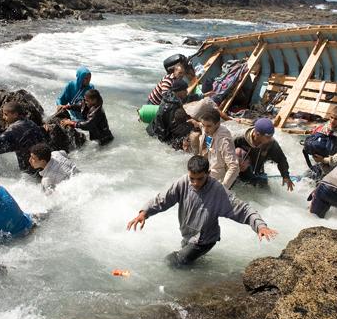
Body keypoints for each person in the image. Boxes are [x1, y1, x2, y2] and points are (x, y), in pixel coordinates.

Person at [126, 155, 277, 267]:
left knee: (172, 263)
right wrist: (144, 213)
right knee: (189, 263)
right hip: (188, 235)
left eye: (200, 179)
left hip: (204, 240)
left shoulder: (218, 191)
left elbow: (244, 210)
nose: (195, 183)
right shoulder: (183, 182)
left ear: (208, 173)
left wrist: (260, 226)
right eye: (192, 178)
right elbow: (162, 199)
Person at [0, 102, 46, 173]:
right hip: (43, 165)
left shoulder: (14, 129)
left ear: (15, 115)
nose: (3, 117)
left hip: (30, 170)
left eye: (6, 114)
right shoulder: (30, 123)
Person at [233, 118, 294, 191]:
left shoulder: (271, 143)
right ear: (257, 134)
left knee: (266, 194)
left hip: (257, 172)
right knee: (238, 153)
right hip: (238, 170)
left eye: (272, 136)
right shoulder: (239, 138)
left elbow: (281, 159)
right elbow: (221, 152)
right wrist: (235, 162)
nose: (271, 138)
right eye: (268, 137)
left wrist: (285, 176)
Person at [190, 108, 239, 189]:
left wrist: (223, 188)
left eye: (208, 126)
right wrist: (196, 123)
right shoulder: (207, 127)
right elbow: (202, 125)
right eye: (203, 125)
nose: (205, 129)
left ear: (218, 124)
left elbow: (234, 166)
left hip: (217, 178)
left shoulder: (223, 140)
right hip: (206, 170)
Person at [146, 79, 194, 150]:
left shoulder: (169, 97)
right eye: (185, 90)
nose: (187, 92)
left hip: (153, 130)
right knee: (189, 127)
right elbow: (173, 127)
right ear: (179, 91)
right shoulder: (172, 106)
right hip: (159, 135)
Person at [309, 105, 337, 177]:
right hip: (322, 161)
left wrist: (325, 160)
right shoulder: (328, 125)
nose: (332, 121)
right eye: (331, 117)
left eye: (336, 119)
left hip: (334, 166)